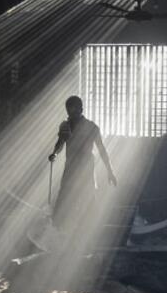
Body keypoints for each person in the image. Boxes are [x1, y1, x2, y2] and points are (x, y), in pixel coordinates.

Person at [48, 95, 116, 232]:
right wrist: (55, 153)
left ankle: (88, 231)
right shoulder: (65, 126)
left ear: (81, 109)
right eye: (68, 111)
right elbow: (60, 143)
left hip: (86, 168)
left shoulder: (92, 127)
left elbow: (102, 150)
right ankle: (58, 230)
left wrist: (110, 171)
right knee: (65, 197)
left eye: (73, 111)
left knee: (87, 196)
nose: (70, 114)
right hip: (71, 167)